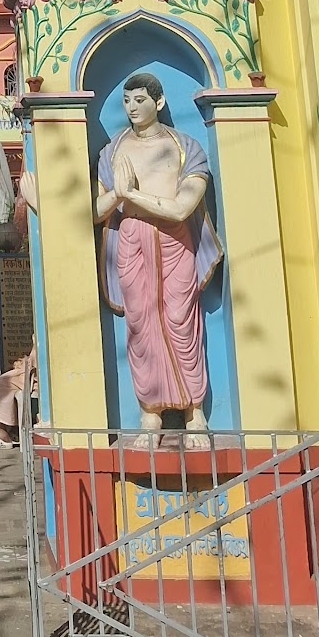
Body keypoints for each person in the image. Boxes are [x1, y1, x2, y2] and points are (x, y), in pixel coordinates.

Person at [95, 71, 221, 444]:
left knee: (182, 323)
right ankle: (150, 414)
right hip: (132, 243)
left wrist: (130, 194)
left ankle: (194, 412)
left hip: (175, 242)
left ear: (159, 101)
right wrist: (118, 195)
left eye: (140, 100)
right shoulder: (113, 151)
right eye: (127, 101)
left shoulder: (185, 148)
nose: (132, 108)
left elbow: (181, 208)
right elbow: (96, 210)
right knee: (141, 327)